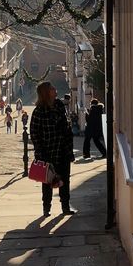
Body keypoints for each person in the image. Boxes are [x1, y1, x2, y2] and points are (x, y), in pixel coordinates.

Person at [29, 81, 76, 216]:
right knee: (47, 181)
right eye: (52, 88)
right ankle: (46, 208)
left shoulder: (60, 105)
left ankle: (65, 207)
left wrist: (69, 147)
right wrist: (40, 152)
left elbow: (66, 127)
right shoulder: (39, 111)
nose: (55, 90)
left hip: (62, 149)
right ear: (46, 93)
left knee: (65, 180)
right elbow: (34, 133)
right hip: (47, 152)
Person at [82, 96, 107, 161]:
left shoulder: (92, 109)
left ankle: (86, 154)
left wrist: (86, 114)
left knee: (87, 141)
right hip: (97, 129)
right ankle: (104, 152)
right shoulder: (100, 110)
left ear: (92, 104)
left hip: (90, 128)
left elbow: (89, 120)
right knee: (97, 141)